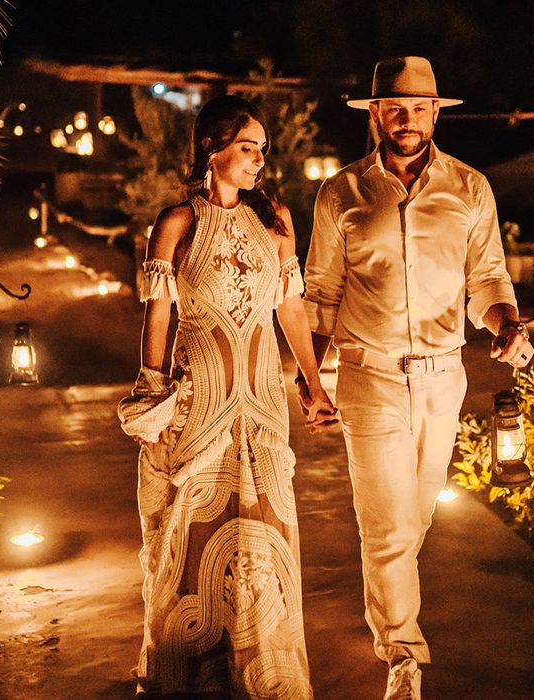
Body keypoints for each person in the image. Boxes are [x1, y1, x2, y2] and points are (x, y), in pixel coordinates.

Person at [297, 56, 534, 700]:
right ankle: (403, 651)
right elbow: (320, 292)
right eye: (394, 108)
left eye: (419, 108)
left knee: (417, 511)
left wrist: (505, 326)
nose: (407, 119)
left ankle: (390, 607)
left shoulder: (470, 188)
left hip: (443, 379)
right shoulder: (340, 193)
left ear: (436, 112)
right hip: (368, 378)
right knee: (388, 524)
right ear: (375, 113)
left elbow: (487, 276)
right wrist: (311, 379)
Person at [118, 94, 336, 699]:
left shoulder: (276, 220)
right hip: (201, 400)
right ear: (211, 148)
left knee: (264, 529)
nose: (260, 160)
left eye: (263, 149)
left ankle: (267, 676)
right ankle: (194, 675)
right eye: (247, 147)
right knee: (193, 532)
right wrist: (152, 390)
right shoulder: (177, 222)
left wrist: (313, 384)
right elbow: (157, 311)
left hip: (262, 400)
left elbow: (290, 307)